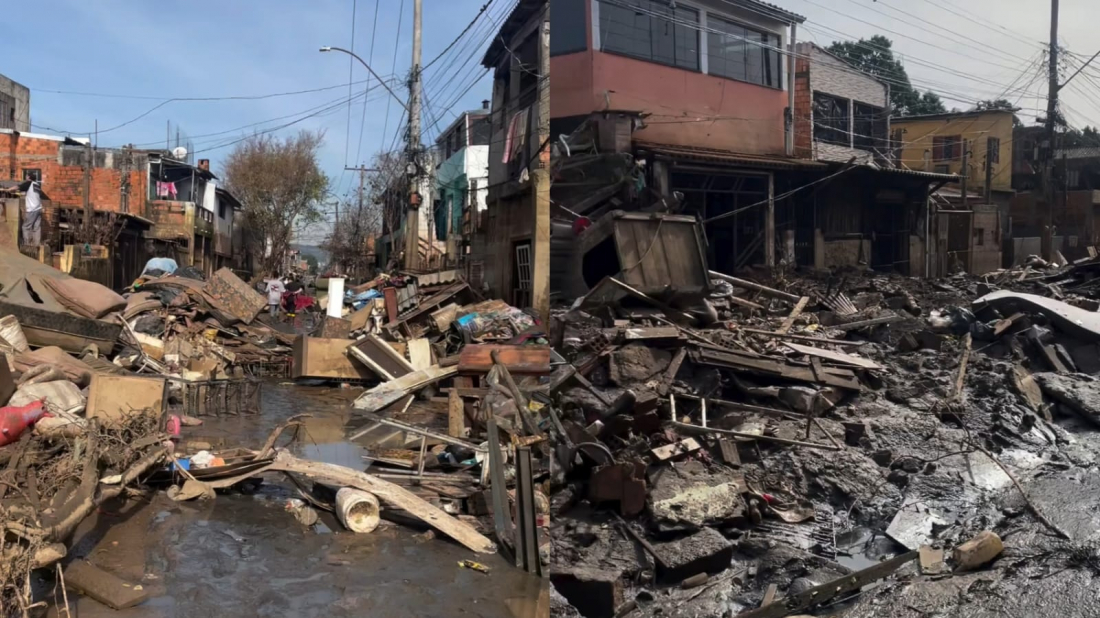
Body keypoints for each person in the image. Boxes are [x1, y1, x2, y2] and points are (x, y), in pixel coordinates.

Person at [19, 179, 42, 246]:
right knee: (37, 227)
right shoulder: (37, 185)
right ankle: (36, 244)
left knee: (25, 227)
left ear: (29, 177)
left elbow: (18, 187)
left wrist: (7, 190)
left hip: (32, 209)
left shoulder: (29, 183)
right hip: (38, 208)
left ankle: (27, 244)